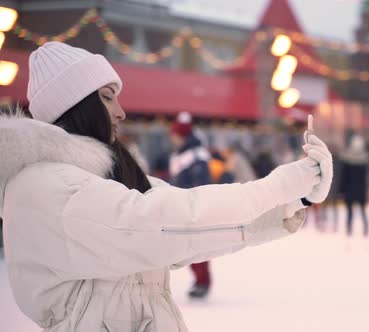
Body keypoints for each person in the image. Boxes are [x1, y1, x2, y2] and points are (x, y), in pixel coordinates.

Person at [0, 42, 333, 332]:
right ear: (75, 106)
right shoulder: (45, 186)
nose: (121, 111)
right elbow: (158, 224)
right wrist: (277, 187)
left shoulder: (106, 178)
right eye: (107, 97)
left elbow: (181, 219)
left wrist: (294, 198)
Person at [168, 112, 214, 299]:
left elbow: (200, 182)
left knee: (196, 248)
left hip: (194, 207)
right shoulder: (183, 153)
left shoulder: (196, 155)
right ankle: (200, 281)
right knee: (189, 248)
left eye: (175, 135)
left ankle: (203, 282)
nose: (172, 138)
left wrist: (193, 204)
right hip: (184, 205)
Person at [340, 134, 369, 237]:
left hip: (351, 190)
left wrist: (342, 190)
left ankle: (350, 228)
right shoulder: (364, 160)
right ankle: (360, 228)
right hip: (358, 190)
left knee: (352, 211)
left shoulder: (348, 160)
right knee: (360, 211)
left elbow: (344, 177)